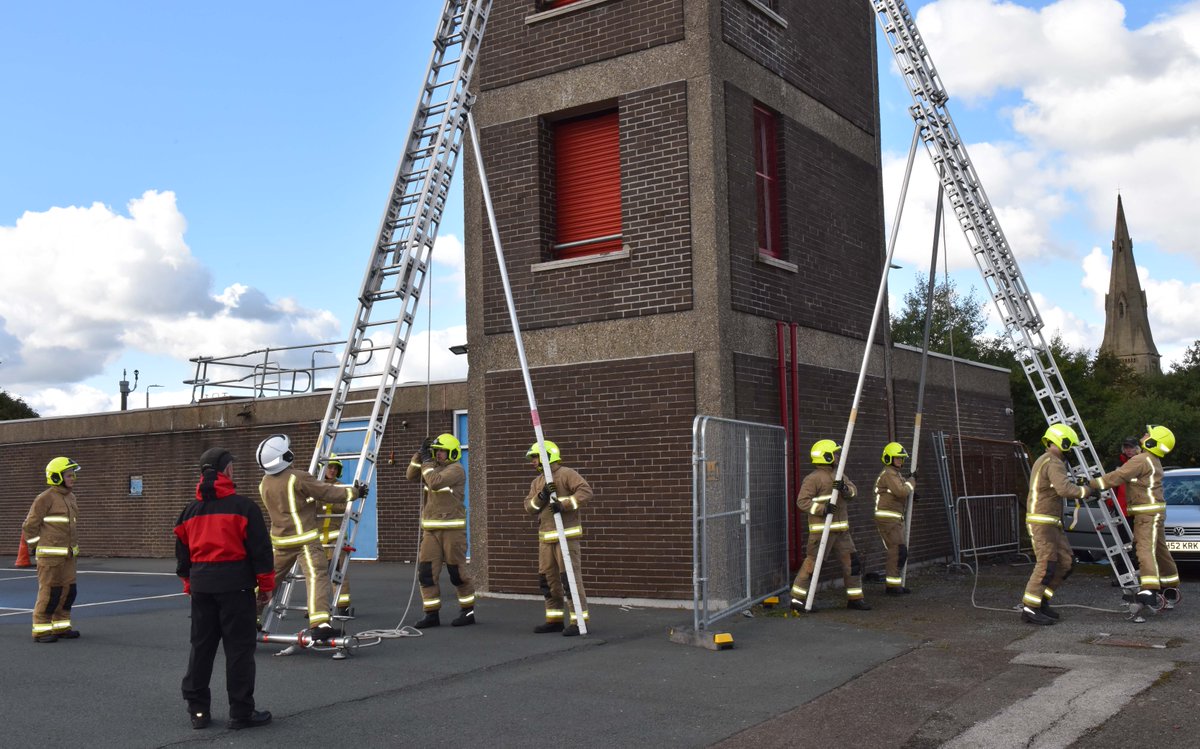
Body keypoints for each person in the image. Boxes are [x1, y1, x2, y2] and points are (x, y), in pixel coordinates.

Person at [174, 448, 274, 730]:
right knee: (239, 650)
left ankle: (198, 712)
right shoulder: (244, 507)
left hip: (202, 588)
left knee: (201, 648)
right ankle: (241, 712)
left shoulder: (189, 511)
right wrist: (266, 587)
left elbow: (183, 557)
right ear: (227, 471)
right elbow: (261, 552)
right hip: (236, 588)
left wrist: (189, 583)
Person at [256, 434, 367, 641]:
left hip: (280, 542)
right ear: (285, 456)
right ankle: (320, 624)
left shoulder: (264, 483)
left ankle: (248, 617)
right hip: (305, 540)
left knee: (267, 580)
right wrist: (355, 492)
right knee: (317, 576)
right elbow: (325, 491)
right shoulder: (297, 478)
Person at [1091, 424, 1181, 610]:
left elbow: (1117, 476)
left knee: (1144, 549)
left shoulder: (1141, 459)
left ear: (1153, 441)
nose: (1145, 434)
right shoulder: (1152, 459)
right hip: (1155, 512)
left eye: (1148, 434)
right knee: (1160, 551)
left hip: (1145, 514)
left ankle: (1149, 589)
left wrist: (1091, 484)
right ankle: (1170, 586)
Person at [1019, 424, 1091, 625]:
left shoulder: (1050, 460)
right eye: (1069, 446)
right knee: (1047, 564)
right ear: (1063, 442)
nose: (1070, 450)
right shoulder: (1053, 461)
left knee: (1066, 563)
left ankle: (1041, 601)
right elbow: (1064, 489)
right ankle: (1030, 608)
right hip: (1042, 522)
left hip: (1052, 522)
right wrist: (1087, 491)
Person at [790, 439, 870, 612]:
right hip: (822, 532)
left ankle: (855, 598)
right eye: (834, 453)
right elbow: (802, 502)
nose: (837, 456)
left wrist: (844, 489)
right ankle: (797, 600)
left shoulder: (840, 474)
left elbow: (853, 492)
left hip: (841, 531)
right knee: (812, 565)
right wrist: (823, 508)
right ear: (826, 456)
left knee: (853, 564)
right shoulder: (813, 479)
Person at [406, 433, 476, 628]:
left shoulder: (456, 470)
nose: (438, 455)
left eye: (442, 452)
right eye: (436, 452)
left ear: (452, 453)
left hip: (452, 530)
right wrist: (419, 456)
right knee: (426, 573)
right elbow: (410, 476)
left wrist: (427, 463)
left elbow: (435, 482)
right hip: (431, 530)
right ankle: (431, 614)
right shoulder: (431, 467)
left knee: (457, 573)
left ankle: (468, 611)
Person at [523, 439, 591, 635]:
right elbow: (529, 507)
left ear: (547, 455)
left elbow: (586, 492)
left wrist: (564, 504)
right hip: (546, 540)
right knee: (548, 580)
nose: (532, 462)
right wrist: (542, 496)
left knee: (570, 580)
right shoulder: (537, 482)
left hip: (566, 538)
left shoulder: (566, 474)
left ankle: (579, 622)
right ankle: (554, 619)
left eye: (535, 457)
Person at [22, 457, 82, 643]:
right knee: (50, 592)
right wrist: (35, 546)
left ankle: (61, 626)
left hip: (68, 556)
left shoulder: (70, 497)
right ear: (56, 477)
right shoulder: (44, 498)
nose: (73, 478)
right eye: (69, 475)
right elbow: (29, 526)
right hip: (50, 557)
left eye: (73, 475)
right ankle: (41, 630)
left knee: (68, 592)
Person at [874, 442, 916, 595]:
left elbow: (899, 489)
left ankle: (894, 584)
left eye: (901, 458)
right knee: (897, 551)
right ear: (888, 458)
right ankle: (892, 587)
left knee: (898, 551)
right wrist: (912, 482)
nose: (900, 461)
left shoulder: (895, 474)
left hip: (895, 518)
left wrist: (910, 490)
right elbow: (900, 491)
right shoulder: (889, 474)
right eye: (897, 458)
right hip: (888, 518)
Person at [318, 454, 352, 616]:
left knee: (337, 571)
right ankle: (319, 606)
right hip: (317, 538)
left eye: (335, 468)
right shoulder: (315, 486)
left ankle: (342, 605)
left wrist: (326, 500)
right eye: (329, 467)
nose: (332, 470)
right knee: (318, 574)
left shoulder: (341, 487)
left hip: (336, 537)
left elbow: (342, 507)